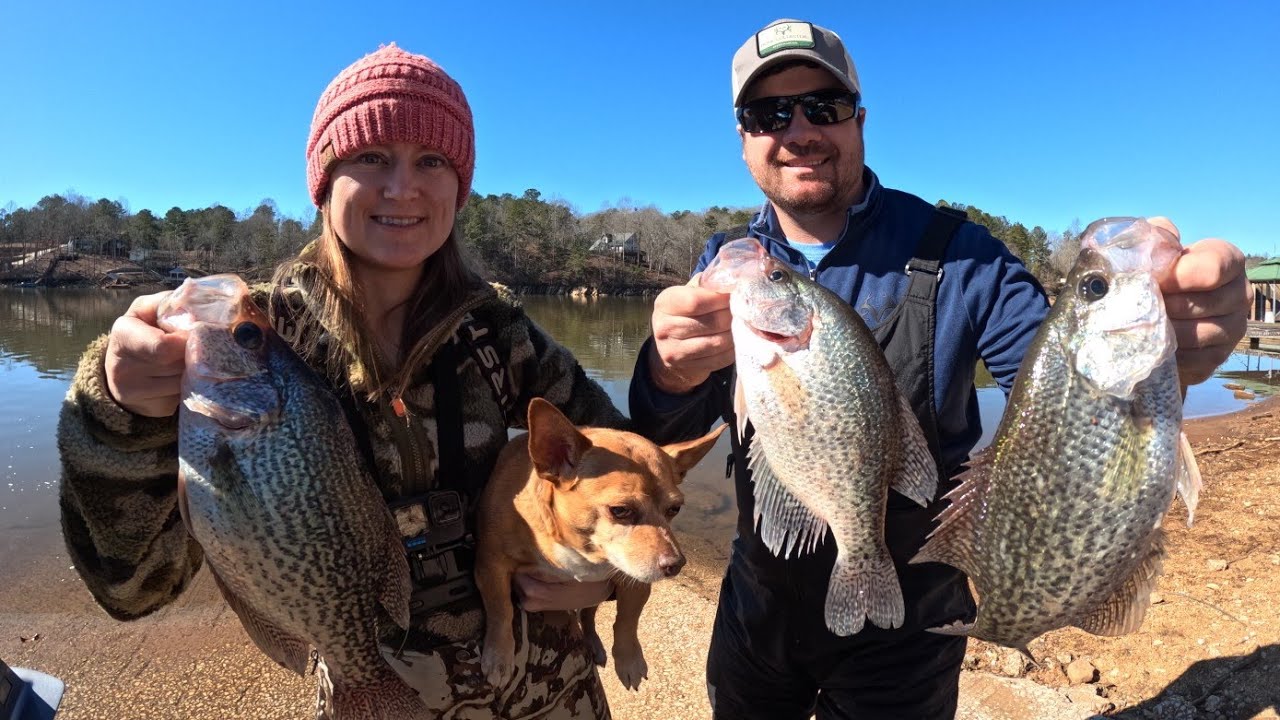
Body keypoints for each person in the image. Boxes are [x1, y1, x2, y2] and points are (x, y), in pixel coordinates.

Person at [628, 18, 1251, 720]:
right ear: (743, 140)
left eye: (823, 107)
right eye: (769, 113)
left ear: (859, 121)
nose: (798, 129)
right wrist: (666, 372)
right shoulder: (728, 265)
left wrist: (1160, 360)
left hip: (911, 623)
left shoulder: (965, 255)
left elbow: (1054, 384)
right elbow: (663, 438)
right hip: (756, 607)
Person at [58, 43, 620, 719]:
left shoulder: (501, 335)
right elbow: (133, 592)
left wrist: (606, 570)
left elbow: (620, 461)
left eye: (432, 160)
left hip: (551, 694)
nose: (402, 188)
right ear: (324, 179)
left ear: (459, 184)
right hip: (371, 694)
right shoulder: (254, 335)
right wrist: (120, 414)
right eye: (372, 157)